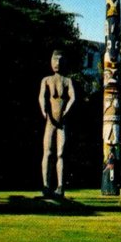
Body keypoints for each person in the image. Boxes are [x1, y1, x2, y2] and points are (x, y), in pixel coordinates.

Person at [38, 50, 76, 199]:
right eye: (54, 60)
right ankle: (46, 186)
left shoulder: (67, 81)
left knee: (61, 153)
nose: (57, 63)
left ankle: (60, 186)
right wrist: (43, 109)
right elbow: (41, 96)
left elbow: (73, 97)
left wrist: (67, 109)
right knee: (47, 152)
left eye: (60, 60)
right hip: (50, 122)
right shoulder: (46, 80)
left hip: (62, 123)